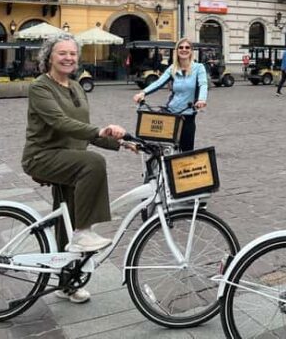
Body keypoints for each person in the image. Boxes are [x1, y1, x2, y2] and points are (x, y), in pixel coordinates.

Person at [22, 33, 137, 304]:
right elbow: (60, 122)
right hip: (42, 156)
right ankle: (83, 232)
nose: (68, 58)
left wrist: (121, 142)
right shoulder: (40, 87)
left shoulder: (75, 87)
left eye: (72, 53)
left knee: (68, 219)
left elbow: (83, 130)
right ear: (49, 57)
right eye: (62, 53)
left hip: (70, 159)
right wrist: (100, 130)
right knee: (93, 163)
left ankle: (67, 283)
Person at [133, 37, 208, 152]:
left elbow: (203, 84)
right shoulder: (173, 68)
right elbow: (158, 83)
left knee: (187, 150)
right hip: (171, 113)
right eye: (181, 47)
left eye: (187, 47)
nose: (184, 50)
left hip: (187, 113)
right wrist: (143, 92)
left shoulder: (199, 68)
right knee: (163, 147)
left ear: (191, 51)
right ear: (177, 51)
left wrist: (201, 100)